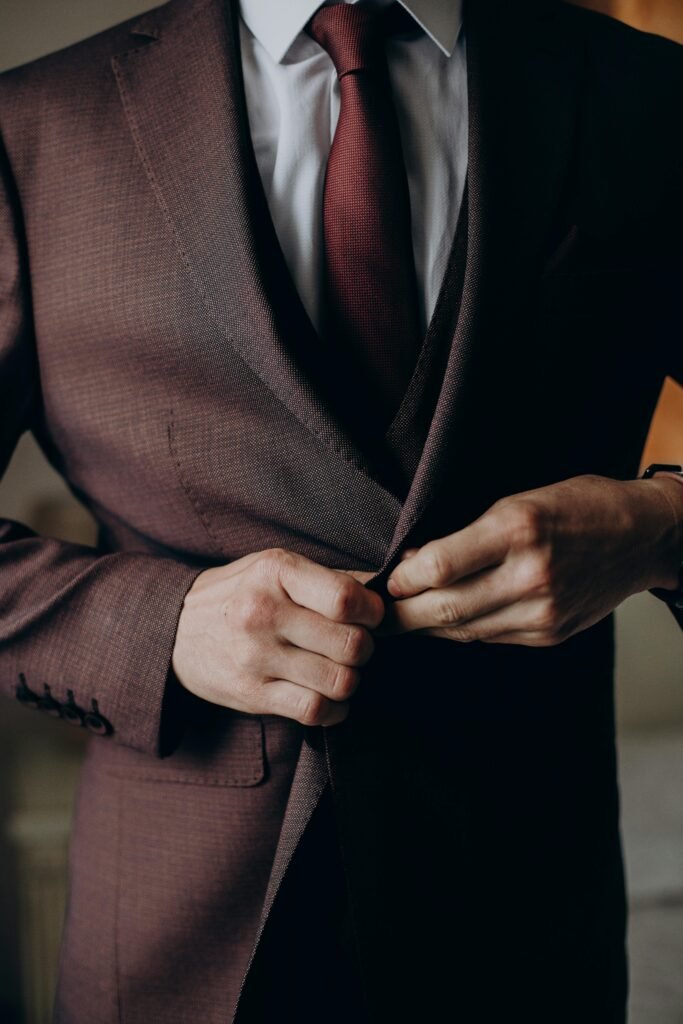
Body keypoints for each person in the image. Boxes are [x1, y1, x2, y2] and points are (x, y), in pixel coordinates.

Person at [0, 0, 681, 1021]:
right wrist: (162, 626)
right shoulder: (32, 125)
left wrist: (659, 528)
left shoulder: (646, 93)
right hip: (177, 934)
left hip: (526, 915)